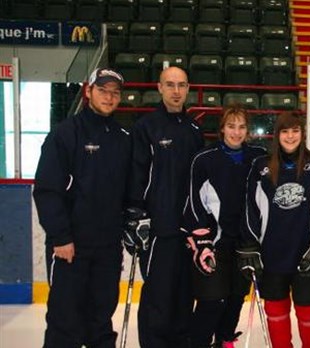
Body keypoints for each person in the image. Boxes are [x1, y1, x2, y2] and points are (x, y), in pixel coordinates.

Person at [33, 68, 130, 347]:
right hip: (70, 248)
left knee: (101, 319)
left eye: (115, 92)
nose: (109, 97)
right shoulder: (65, 135)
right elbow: (47, 190)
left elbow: (127, 189)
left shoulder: (123, 138)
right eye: (103, 90)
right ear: (88, 92)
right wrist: (61, 236)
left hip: (108, 248)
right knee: (66, 322)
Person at [237, 112, 310, 348]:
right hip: (272, 256)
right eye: (284, 131)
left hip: (307, 256)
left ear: (302, 134)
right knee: (276, 314)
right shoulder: (261, 167)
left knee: (309, 315)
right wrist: (249, 245)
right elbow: (251, 208)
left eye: (295, 131)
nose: (290, 136)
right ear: (277, 135)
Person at [125, 66, 204, 347]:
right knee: (159, 299)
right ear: (159, 88)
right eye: (170, 85)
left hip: (188, 233)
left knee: (184, 298)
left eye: (181, 85)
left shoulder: (194, 129)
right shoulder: (145, 128)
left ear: (188, 88)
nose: (176, 91)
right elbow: (136, 174)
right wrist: (136, 214)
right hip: (158, 231)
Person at [183, 105, 267, 348]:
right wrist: (202, 242)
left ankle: (224, 340)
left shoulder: (258, 157)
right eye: (231, 126)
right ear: (222, 128)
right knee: (212, 301)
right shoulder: (204, 159)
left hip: (245, 246)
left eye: (241, 127)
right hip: (215, 245)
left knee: (235, 299)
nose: (236, 132)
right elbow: (194, 203)